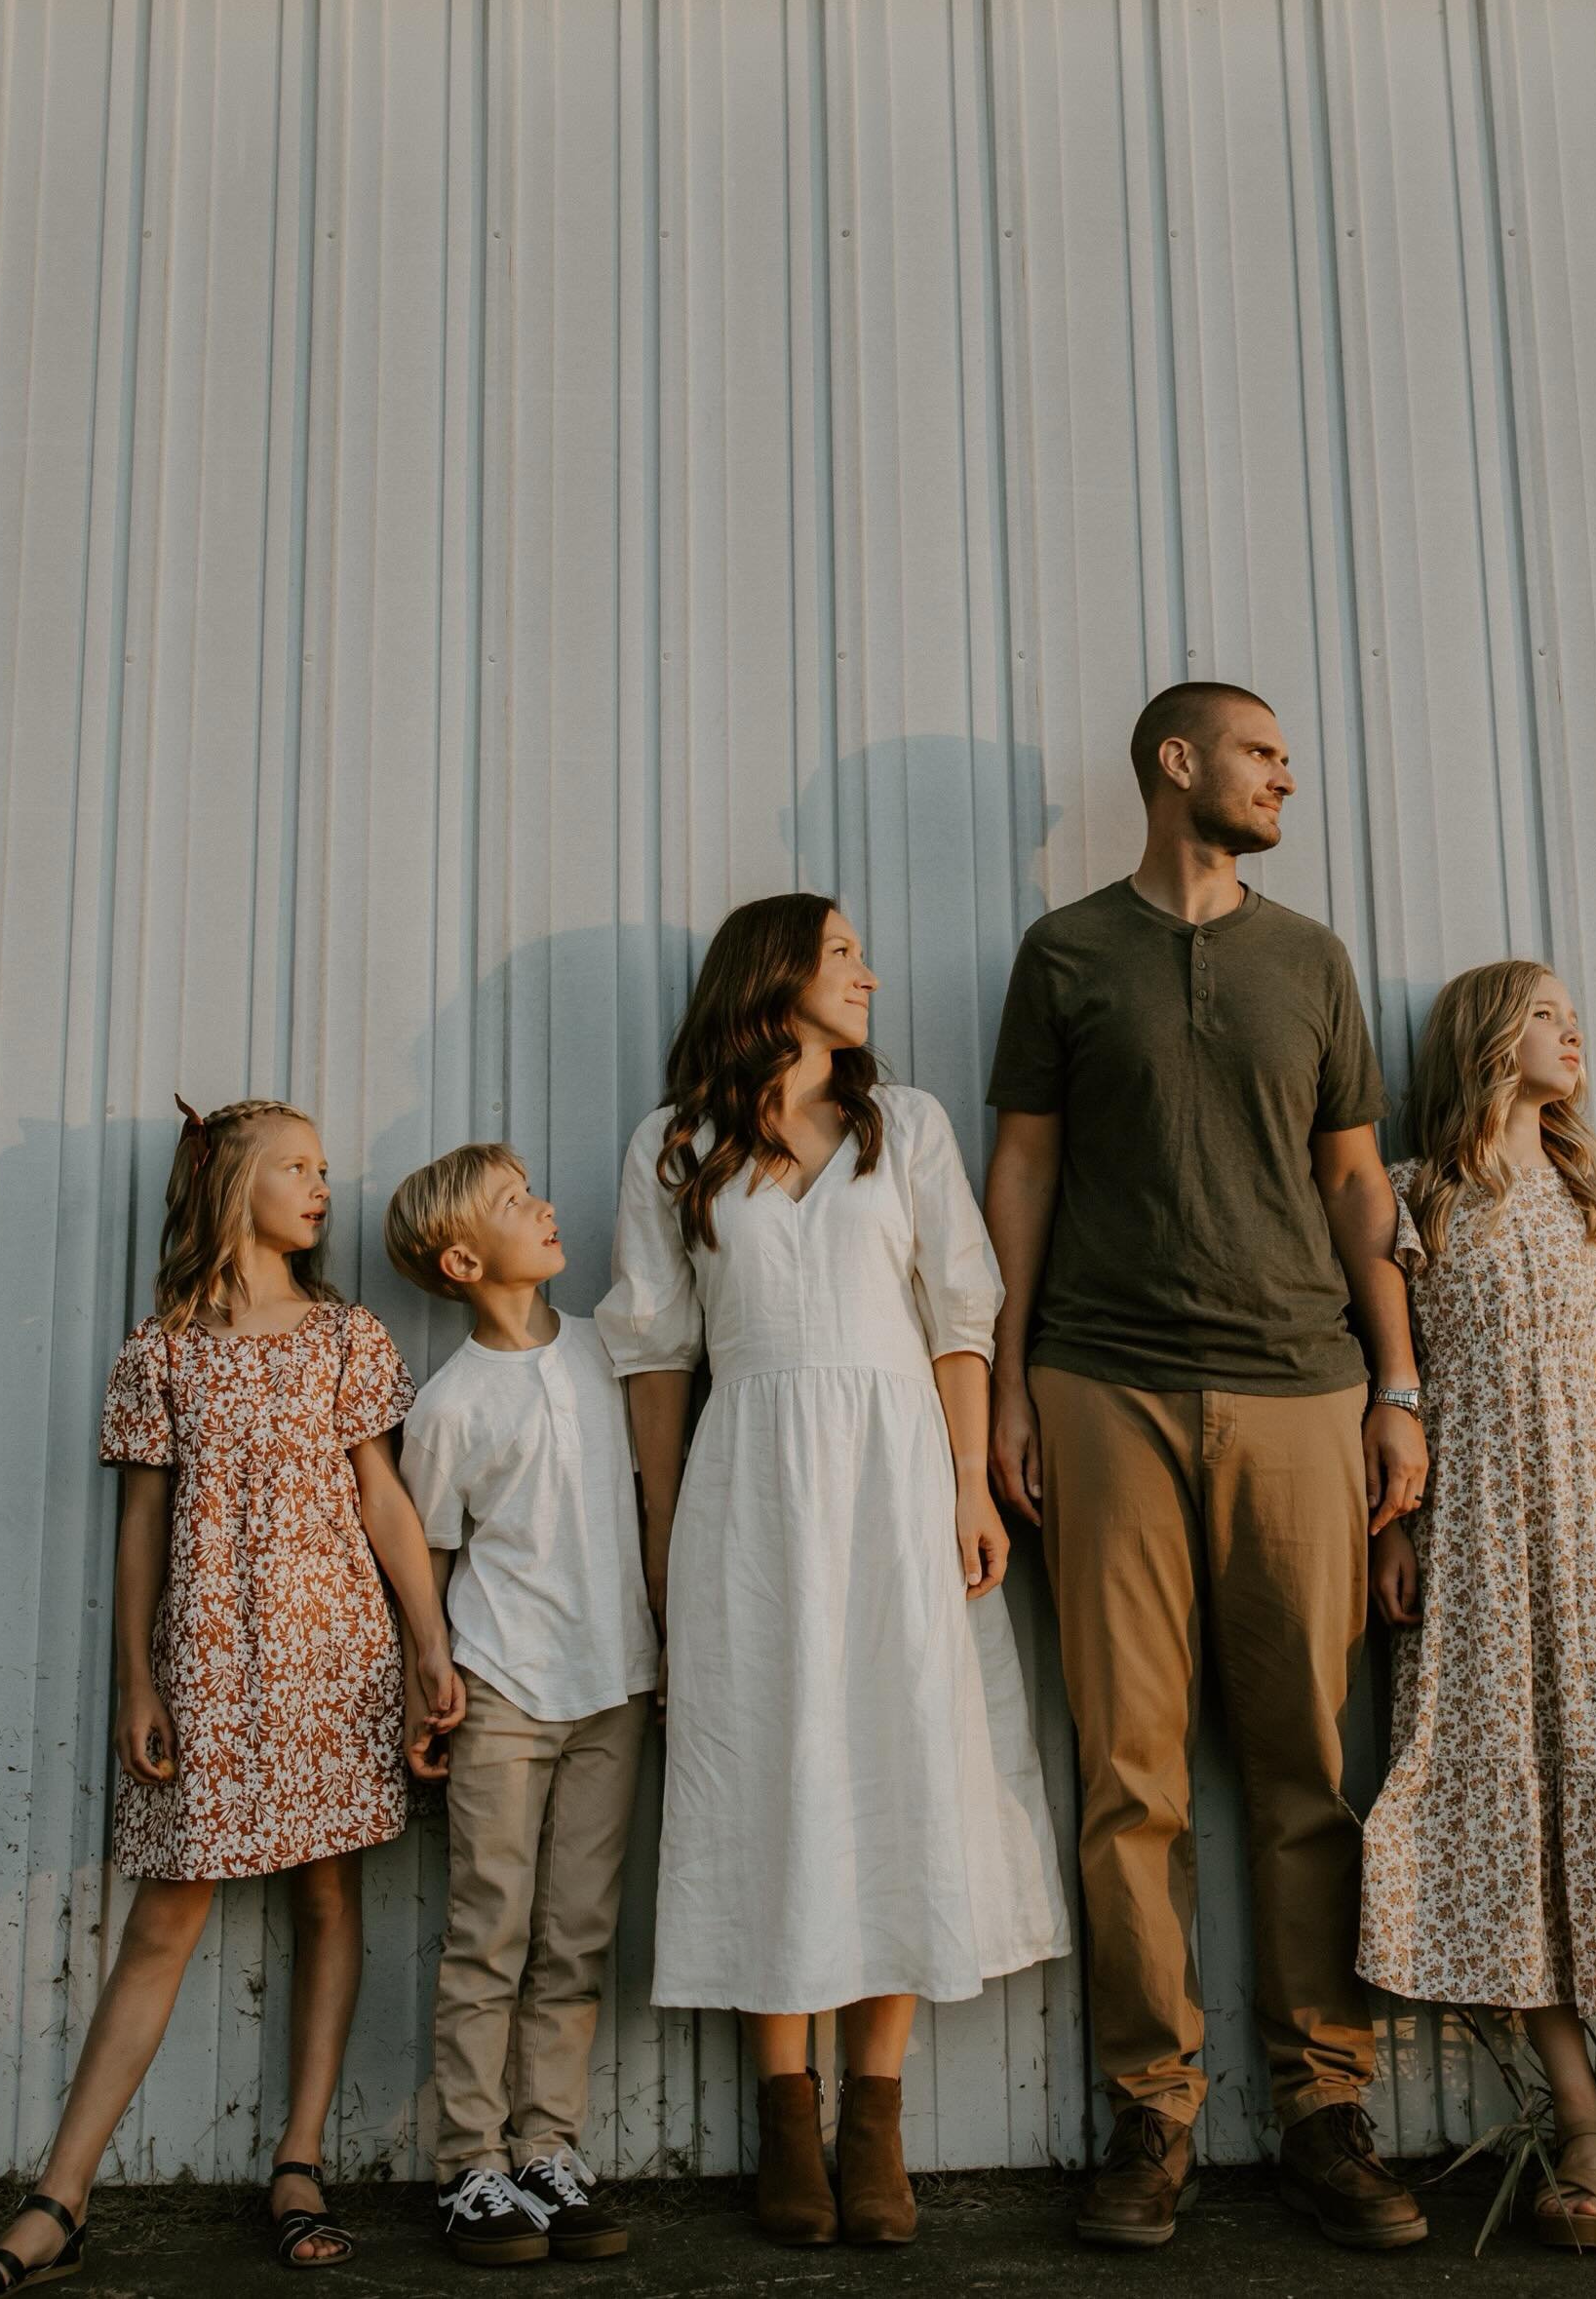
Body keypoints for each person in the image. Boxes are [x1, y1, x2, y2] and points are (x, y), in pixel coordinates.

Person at [985, 682, 1427, 2253]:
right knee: (1131, 1772)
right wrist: (1011, 1387)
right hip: (1100, 1383)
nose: (1287, 777)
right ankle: (1151, 2114)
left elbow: (1355, 1180)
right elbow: (1022, 1163)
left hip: (1302, 1389)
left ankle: (1326, 2109)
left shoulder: (1308, 959)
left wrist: (1399, 1388)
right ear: (1178, 766)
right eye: (1262, 753)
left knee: (1307, 1761)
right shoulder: (1067, 955)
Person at [0, 1099, 462, 2298]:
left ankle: (300, 2164)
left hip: (336, 1656)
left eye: (327, 1168)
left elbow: (384, 1502)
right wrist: (137, 1679)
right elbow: (143, 1524)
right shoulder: (163, 1345)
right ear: (232, 1185)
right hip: (211, 1661)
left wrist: (429, 1648)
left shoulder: (344, 1335)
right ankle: (60, 2200)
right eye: (297, 1168)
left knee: (330, 1897)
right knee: (167, 1918)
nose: (324, 1187)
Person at [598, 894, 1070, 2249]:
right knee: (764, 1768)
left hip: (898, 1472)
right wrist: (661, 1534)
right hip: (749, 1485)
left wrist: (971, 1482)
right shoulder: (674, 1147)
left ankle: (876, 2118)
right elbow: (649, 1352)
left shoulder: (904, 1126)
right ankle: (782, 2114)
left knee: (896, 1760)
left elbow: (961, 1312)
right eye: (844, 950)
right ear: (775, 973)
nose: (869, 971)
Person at [1359, 962, 1596, 2264]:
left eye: (1579, 1014)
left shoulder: (1590, 1206)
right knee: (1499, 1809)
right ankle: (1578, 2130)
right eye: (1548, 1014)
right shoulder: (1417, 1200)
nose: (1575, 1031)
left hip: (1579, 1536)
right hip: (1468, 1541)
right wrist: (1395, 1529)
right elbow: (1386, 1380)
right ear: (1486, 1039)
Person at [387, 1143, 660, 2268]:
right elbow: (430, 1561)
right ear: (463, 1259)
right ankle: (470, 2166)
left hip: (614, 1687)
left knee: (577, 1935)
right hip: (502, 1693)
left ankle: (549, 2149)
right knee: (488, 1933)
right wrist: (426, 1682)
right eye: (513, 1204)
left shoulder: (610, 1351)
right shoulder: (450, 1404)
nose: (544, 1205)